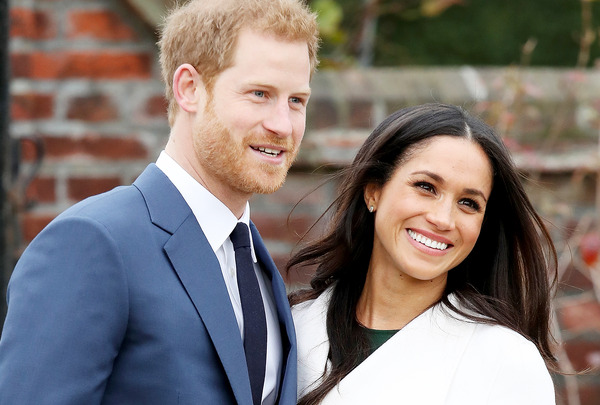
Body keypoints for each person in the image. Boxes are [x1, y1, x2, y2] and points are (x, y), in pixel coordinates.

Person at [0, 0, 319, 404]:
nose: (283, 125)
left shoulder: (256, 264)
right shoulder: (92, 242)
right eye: (259, 94)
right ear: (189, 89)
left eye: (297, 100)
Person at [288, 103, 558, 404]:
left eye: (469, 203)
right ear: (373, 191)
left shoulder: (505, 362)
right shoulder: (289, 328)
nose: (443, 219)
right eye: (426, 187)